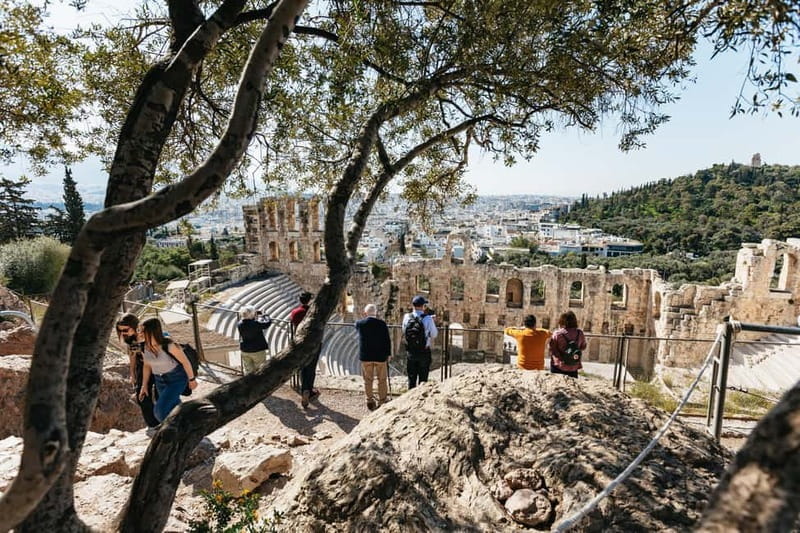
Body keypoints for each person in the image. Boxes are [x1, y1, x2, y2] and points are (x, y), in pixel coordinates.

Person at [137, 318, 198, 422]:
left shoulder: (169, 345)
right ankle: (189, 426)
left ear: (151, 331)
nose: (139, 333)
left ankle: (172, 432)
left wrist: (192, 380)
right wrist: (144, 385)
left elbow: (185, 362)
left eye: (142, 331)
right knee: (174, 408)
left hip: (176, 379)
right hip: (159, 381)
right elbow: (147, 365)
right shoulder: (143, 347)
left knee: (159, 411)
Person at [116, 313, 158, 428]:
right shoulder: (130, 339)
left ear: (134, 326)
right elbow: (132, 356)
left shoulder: (146, 335)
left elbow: (150, 360)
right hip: (142, 366)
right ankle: (153, 424)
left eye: (125, 330)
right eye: (121, 331)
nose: (123, 333)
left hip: (157, 365)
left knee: (161, 395)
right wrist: (132, 374)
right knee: (142, 398)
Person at [355, 304, 392, 410]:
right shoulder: (382, 324)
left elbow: (356, 326)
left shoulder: (360, 324)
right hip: (380, 356)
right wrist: (388, 354)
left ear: (365, 313)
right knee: (382, 379)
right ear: (376, 313)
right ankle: (382, 400)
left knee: (368, 379)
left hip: (366, 356)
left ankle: (369, 400)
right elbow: (387, 340)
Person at [289, 291, 321, 408]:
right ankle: (309, 390)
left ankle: (304, 390)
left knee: (303, 367)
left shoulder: (295, 312)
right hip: (314, 342)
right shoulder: (314, 312)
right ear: (310, 300)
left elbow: (292, 321)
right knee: (311, 367)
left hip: (300, 342)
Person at [402, 295, 438, 389]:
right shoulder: (428, 319)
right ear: (423, 306)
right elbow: (434, 334)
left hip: (411, 351)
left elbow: (404, 331)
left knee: (411, 378)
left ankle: (409, 400)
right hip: (423, 351)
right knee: (423, 380)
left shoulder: (406, 317)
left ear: (413, 305)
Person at [548, 310, 587, 378]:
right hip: (574, 366)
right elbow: (583, 347)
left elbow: (551, 349)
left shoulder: (557, 334)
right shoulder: (580, 333)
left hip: (559, 366)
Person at [237, 305, 272, 374]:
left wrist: (254, 314)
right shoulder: (255, 324)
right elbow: (267, 323)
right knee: (260, 370)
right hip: (257, 350)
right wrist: (265, 315)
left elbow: (249, 321)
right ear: (252, 314)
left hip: (245, 350)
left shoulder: (240, 324)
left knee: (248, 370)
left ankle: (248, 383)